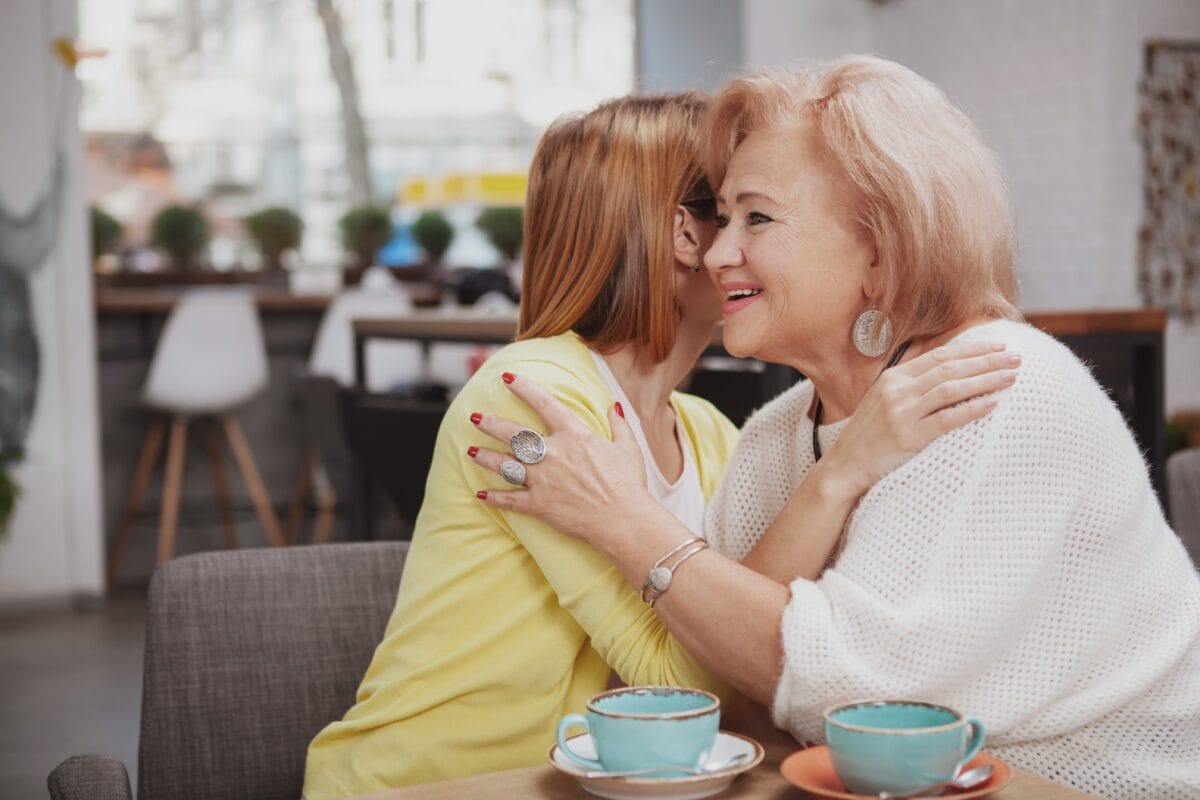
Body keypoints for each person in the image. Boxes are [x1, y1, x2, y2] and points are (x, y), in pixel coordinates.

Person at [470, 56, 1200, 799]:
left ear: (882, 250)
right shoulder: (773, 437)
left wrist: (622, 518)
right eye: (722, 217)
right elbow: (724, 683)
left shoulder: (999, 388)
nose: (719, 252)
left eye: (757, 217)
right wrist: (830, 483)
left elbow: (852, 696)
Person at [303, 90, 1013, 798]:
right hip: (426, 786)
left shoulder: (707, 431)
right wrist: (842, 472)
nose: (748, 239)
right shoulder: (532, 395)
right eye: (737, 213)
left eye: (756, 215)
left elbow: (739, 634)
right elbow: (687, 681)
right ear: (686, 235)